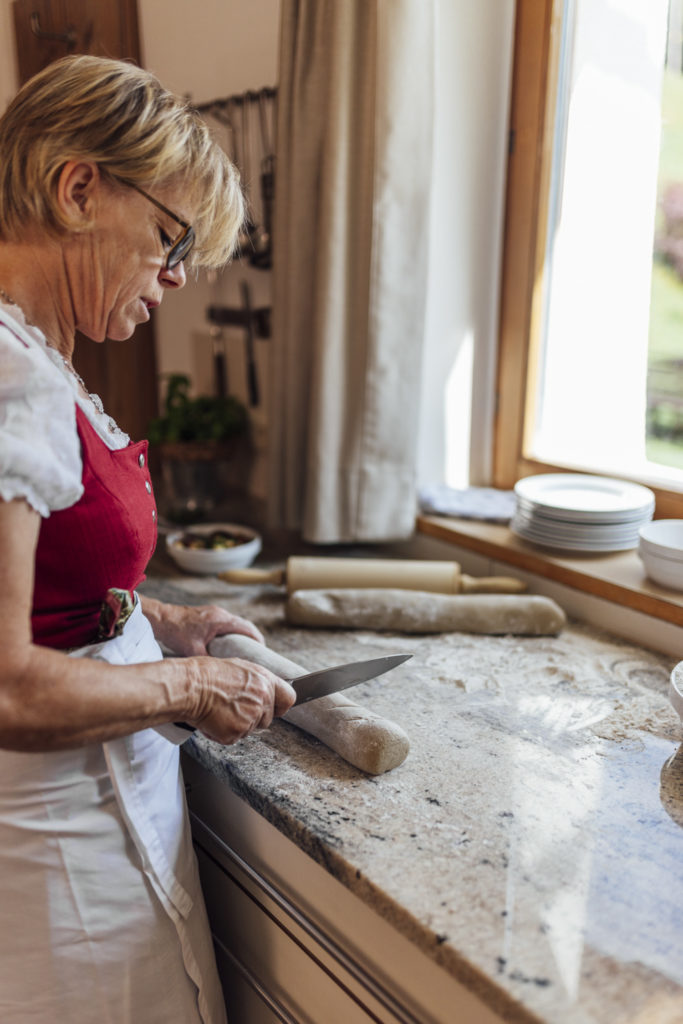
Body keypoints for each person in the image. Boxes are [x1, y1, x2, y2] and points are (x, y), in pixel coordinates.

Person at [0, 54, 296, 1024]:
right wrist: (196, 685)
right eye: (169, 241)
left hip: (91, 811)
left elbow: (45, 587)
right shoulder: (9, 374)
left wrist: (163, 618)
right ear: (78, 186)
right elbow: (4, 680)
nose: (173, 280)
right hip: (49, 845)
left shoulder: (41, 358)